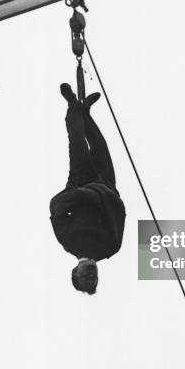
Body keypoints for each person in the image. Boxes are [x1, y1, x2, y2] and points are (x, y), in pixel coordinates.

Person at [50, 83, 126, 295]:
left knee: (77, 141)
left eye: (86, 278)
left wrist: (82, 195)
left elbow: (56, 208)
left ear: (75, 272)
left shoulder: (68, 240)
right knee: (100, 144)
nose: (92, 276)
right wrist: (105, 196)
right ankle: (86, 113)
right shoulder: (112, 246)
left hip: (81, 180)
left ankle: (73, 105)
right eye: (95, 280)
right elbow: (120, 214)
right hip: (107, 184)